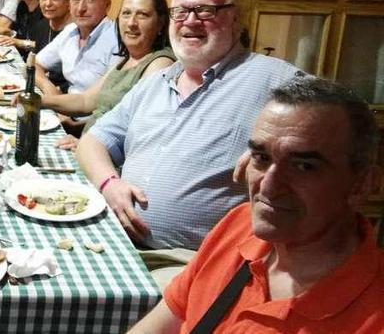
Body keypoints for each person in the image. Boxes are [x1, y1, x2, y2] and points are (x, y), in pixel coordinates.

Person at [76, 0, 302, 279]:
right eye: (181, 11)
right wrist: (110, 184)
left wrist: (284, 155)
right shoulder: (158, 81)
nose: (190, 21)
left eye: (205, 10)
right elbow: (92, 142)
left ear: (235, 19)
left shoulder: (273, 80)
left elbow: (344, 123)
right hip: (117, 239)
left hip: (191, 262)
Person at [129, 76, 383, 333]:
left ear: (362, 184)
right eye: (261, 158)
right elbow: (165, 320)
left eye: (303, 166)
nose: (268, 186)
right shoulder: (238, 225)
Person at [45, 0, 175, 150]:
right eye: (126, 13)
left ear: (161, 23)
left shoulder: (159, 65)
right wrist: (35, 101)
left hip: (105, 160)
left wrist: (87, 145)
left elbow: (137, 132)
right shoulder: (127, 60)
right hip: (89, 148)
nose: (132, 23)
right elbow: (85, 101)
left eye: (142, 15)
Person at [35, 0, 120, 96]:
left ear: (107, 5)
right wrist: (50, 89)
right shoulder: (71, 31)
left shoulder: (116, 39)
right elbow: (34, 63)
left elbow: (109, 97)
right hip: (65, 107)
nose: (81, 8)